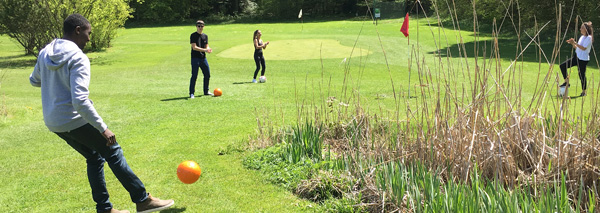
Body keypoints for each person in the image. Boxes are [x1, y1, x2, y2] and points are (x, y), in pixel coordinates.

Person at [29, 14, 174, 213]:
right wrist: (102, 128)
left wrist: (54, 83)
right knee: (113, 151)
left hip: (54, 122)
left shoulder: (45, 53)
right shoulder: (78, 57)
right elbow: (80, 101)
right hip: (72, 119)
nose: (89, 39)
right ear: (78, 30)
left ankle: (105, 209)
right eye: (88, 33)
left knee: (95, 157)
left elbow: (34, 80)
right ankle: (142, 200)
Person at [559, 21, 593, 96]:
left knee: (581, 75)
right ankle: (566, 82)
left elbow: (584, 48)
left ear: (586, 29)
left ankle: (583, 92)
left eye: (582, 28)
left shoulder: (589, 37)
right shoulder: (582, 37)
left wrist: (575, 42)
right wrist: (572, 43)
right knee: (562, 66)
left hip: (583, 59)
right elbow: (577, 48)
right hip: (576, 56)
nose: (580, 29)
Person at [190, 20, 213, 98]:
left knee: (207, 74)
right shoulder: (193, 35)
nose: (200, 27)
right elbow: (194, 47)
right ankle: (191, 93)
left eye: (202, 26)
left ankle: (206, 91)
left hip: (203, 58)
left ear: (204, 27)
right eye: (199, 26)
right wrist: (205, 50)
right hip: (195, 58)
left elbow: (206, 45)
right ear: (196, 26)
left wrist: (208, 49)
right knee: (194, 75)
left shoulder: (205, 36)